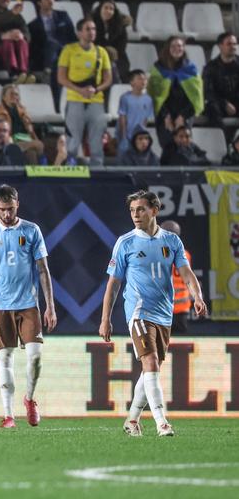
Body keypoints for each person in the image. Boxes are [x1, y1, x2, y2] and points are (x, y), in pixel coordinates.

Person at [100, 189, 207, 437]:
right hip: (138, 311)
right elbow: (113, 284)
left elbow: (186, 272)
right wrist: (105, 319)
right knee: (149, 362)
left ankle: (132, 420)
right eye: (132, 210)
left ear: (154, 211)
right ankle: (162, 422)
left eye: (141, 209)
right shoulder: (125, 242)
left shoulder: (171, 241)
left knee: (152, 367)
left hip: (163, 313)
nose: (135, 215)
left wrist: (197, 296)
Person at [0, 185, 56, 428]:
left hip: (28, 304)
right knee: (5, 359)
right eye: (2, 209)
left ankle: (30, 399)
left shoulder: (31, 230)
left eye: (10, 209)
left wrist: (50, 306)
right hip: (0, 306)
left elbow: (43, 270)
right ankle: (8, 414)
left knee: (35, 357)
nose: (6, 214)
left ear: (17, 204)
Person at [57, 18, 113, 165]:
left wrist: (96, 89)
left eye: (93, 29)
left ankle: (97, 174)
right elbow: (61, 77)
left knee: (97, 143)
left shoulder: (102, 52)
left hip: (96, 102)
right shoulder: (69, 50)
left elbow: (108, 79)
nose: (91, 32)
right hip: (75, 100)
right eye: (87, 29)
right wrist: (79, 90)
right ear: (79, 32)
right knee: (73, 142)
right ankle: (70, 174)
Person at [148, 36, 204, 147]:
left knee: (183, 143)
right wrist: (166, 116)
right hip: (164, 112)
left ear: (183, 48)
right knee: (168, 145)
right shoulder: (158, 68)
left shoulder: (191, 69)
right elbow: (155, 96)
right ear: (167, 48)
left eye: (179, 46)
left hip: (185, 111)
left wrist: (182, 116)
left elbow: (196, 96)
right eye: (173, 46)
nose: (176, 48)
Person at [28, 0, 75, 91]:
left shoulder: (63, 16)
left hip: (65, 51)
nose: (51, 1)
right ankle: (49, 71)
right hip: (46, 57)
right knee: (50, 44)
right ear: (39, 2)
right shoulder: (33, 25)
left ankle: (48, 71)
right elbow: (34, 49)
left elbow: (72, 37)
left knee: (52, 43)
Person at [0, 84, 44, 164]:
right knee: (38, 144)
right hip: (8, 141)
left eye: (16, 94)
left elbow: (30, 131)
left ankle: (34, 176)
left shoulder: (23, 110)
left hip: (24, 139)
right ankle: (42, 171)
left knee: (32, 153)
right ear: (4, 97)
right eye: (11, 94)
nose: (14, 96)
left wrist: (29, 128)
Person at [159, 220, 195, 334]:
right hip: (182, 307)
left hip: (163, 307)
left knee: (161, 343)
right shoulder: (185, 254)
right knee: (180, 348)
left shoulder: (159, 252)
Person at [203, 32, 239, 131]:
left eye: (234, 44)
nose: (233, 47)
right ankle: (223, 139)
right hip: (219, 103)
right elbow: (208, 92)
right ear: (220, 46)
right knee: (211, 107)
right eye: (229, 44)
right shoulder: (210, 67)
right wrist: (225, 103)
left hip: (236, 102)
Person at [116, 69, 153, 161]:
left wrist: (142, 134)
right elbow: (122, 117)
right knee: (123, 158)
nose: (143, 81)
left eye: (145, 79)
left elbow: (146, 119)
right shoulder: (125, 98)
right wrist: (124, 136)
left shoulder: (148, 99)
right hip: (126, 134)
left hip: (138, 136)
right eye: (140, 79)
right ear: (132, 82)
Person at [92, 0, 130, 78]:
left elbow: (122, 46)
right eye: (106, 8)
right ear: (100, 9)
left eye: (111, 9)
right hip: (95, 55)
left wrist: (113, 53)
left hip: (117, 57)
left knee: (119, 69)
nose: (108, 11)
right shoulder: (91, 24)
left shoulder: (120, 26)